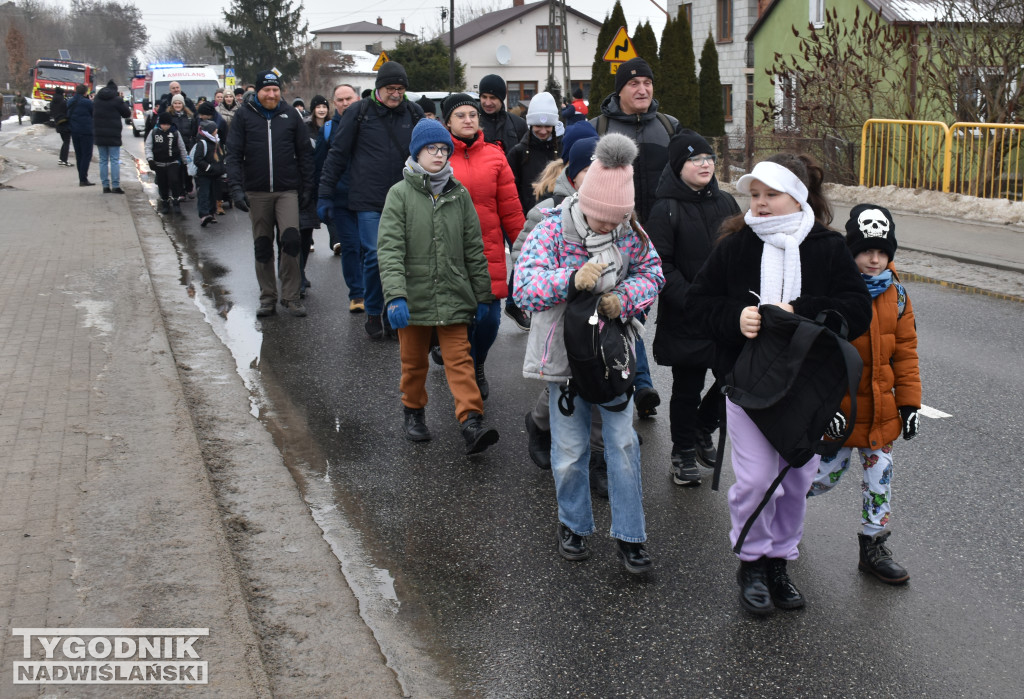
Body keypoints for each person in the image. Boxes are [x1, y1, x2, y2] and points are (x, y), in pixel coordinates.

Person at [685, 153, 872, 614]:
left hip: (808, 386)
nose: (761, 204)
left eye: (771, 194)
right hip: (746, 385)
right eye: (754, 195)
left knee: (795, 478)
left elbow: (856, 310)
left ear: (797, 197)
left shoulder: (827, 247)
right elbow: (697, 303)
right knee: (754, 480)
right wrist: (736, 317)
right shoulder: (736, 245)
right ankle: (750, 561)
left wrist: (801, 311)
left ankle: (778, 563)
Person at [514, 133, 665, 575]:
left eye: (613, 221)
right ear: (583, 200)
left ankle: (631, 538)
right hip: (564, 359)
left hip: (613, 357)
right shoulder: (550, 229)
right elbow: (524, 289)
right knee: (570, 449)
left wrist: (626, 298)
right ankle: (574, 524)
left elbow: (654, 273)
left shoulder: (630, 231)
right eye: (599, 220)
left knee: (621, 444)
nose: (605, 228)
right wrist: (570, 280)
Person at [808, 204, 920, 585]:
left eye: (882, 251)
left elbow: (905, 353)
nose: (874, 259)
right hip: (840, 409)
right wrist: (822, 408)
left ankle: (873, 546)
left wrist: (908, 404)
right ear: (850, 252)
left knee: (880, 480)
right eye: (865, 251)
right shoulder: (833, 290)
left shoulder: (898, 296)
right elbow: (815, 356)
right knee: (822, 479)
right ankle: (781, 509)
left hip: (881, 413)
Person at [377, 119, 500, 455]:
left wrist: (484, 294)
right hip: (413, 297)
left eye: (444, 149)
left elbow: (474, 248)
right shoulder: (399, 194)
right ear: (417, 151)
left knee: (459, 359)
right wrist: (395, 296)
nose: (439, 154)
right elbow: (389, 250)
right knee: (413, 361)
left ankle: (471, 422)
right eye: (432, 148)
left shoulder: (459, 195)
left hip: (452, 293)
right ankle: (413, 412)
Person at [646, 130, 740, 486]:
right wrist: (691, 298)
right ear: (677, 166)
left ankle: (704, 425)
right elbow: (660, 265)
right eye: (694, 159)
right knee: (687, 386)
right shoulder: (665, 208)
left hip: (724, 314)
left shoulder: (727, 203)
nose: (705, 163)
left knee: (735, 375)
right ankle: (682, 452)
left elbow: (741, 251)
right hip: (686, 312)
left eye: (708, 157)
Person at [317, 62, 425, 339]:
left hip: (405, 198)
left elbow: (425, 156)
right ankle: (374, 310)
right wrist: (325, 194)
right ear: (379, 88)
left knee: (402, 259)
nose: (396, 94)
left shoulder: (412, 113)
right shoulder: (359, 112)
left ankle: (394, 310)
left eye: (401, 89)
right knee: (376, 256)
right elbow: (338, 154)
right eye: (391, 89)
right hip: (368, 199)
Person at [515, 128, 597, 473]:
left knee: (601, 383)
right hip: (563, 314)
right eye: (590, 169)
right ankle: (540, 423)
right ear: (573, 174)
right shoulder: (549, 213)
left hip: (603, 317)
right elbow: (523, 255)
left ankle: (600, 458)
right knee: (565, 384)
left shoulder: (622, 213)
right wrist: (569, 281)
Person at [438, 93, 525, 400]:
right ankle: (461, 365)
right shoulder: (437, 156)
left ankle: (477, 363)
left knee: (489, 317)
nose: (468, 120)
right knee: (457, 317)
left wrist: (524, 247)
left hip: (487, 247)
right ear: (447, 121)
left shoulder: (495, 156)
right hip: (446, 250)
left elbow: (511, 209)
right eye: (460, 115)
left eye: (472, 115)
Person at [225, 69, 315, 318]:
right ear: (258, 91)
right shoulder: (244, 116)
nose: (272, 94)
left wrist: (308, 188)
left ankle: (291, 296)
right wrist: (235, 189)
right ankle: (267, 297)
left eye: (276, 90)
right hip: (257, 191)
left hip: (287, 190)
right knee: (263, 245)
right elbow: (232, 154)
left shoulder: (291, 115)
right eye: (267, 90)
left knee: (292, 241)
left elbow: (305, 154)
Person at [590, 57, 679, 224]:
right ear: (619, 90)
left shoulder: (670, 126)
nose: (643, 90)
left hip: (663, 227)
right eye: (634, 83)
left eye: (647, 83)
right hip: (614, 228)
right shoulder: (597, 129)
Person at [313, 83, 364, 312]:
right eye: (340, 100)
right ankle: (357, 294)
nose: (345, 103)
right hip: (341, 200)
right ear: (334, 103)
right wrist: (322, 197)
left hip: (367, 198)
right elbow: (320, 166)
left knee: (369, 248)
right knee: (351, 247)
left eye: (348, 99)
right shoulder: (328, 129)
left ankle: (372, 291)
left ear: (357, 99)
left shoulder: (368, 125)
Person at [507, 91, 561, 216]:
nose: (543, 131)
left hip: (557, 219)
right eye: (538, 126)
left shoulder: (563, 150)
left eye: (548, 126)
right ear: (530, 125)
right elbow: (511, 192)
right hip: (528, 218)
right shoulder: (518, 153)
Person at [298, 94, 330, 296]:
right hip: (306, 185)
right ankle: (298, 274)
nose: (321, 109)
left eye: (324, 106)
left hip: (325, 184)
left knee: (309, 230)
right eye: (317, 106)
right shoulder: (303, 129)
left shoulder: (332, 128)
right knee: (302, 232)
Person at [91, 79, 131, 194]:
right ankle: (116, 186)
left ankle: (105, 186)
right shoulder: (117, 99)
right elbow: (127, 114)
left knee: (103, 160)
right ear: (116, 90)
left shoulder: (97, 99)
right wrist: (123, 100)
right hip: (114, 134)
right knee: (114, 160)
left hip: (99, 134)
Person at [145, 111, 186, 214]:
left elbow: (182, 147)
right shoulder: (154, 132)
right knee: (162, 184)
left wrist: (185, 161)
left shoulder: (175, 133)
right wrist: (150, 159)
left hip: (173, 162)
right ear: (160, 123)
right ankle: (165, 202)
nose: (166, 127)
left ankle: (176, 201)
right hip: (159, 163)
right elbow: (148, 147)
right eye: (164, 124)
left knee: (174, 181)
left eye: (168, 124)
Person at [477, 74, 527, 155]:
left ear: (501, 98)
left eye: (493, 98)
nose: (488, 103)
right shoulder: (472, 123)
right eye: (484, 97)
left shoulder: (518, 124)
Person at [192, 120, 224, 227]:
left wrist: (221, 168)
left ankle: (211, 212)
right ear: (210, 131)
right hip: (204, 174)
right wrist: (209, 167)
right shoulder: (203, 143)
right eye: (214, 129)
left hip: (215, 174)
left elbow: (220, 157)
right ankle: (204, 215)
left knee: (213, 194)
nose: (216, 131)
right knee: (204, 194)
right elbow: (198, 160)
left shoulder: (217, 141)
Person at [67, 83, 95, 186]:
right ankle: (83, 179)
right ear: (85, 92)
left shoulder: (70, 101)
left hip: (74, 131)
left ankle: (81, 178)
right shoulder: (88, 103)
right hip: (86, 131)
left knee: (79, 155)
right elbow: (93, 114)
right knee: (86, 155)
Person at [50, 87, 73, 167]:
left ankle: (61, 159)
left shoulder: (52, 102)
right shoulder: (63, 102)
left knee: (64, 141)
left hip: (58, 123)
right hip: (65, 123)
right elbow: (68, 111)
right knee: (66, 142)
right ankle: (64, 160)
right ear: (61, 93)